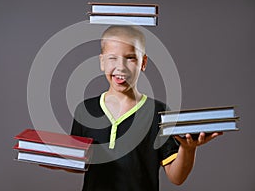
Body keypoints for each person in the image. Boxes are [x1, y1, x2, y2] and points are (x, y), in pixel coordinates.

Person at [45, 25, 222, 190]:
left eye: (130, 58)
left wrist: (188, 149)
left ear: (143, 63)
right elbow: (80, 164)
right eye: (112, 58)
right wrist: (60, 161)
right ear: (102, 62)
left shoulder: (159, 113)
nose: (120, 67)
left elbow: (177, 177)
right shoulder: (85, 110)